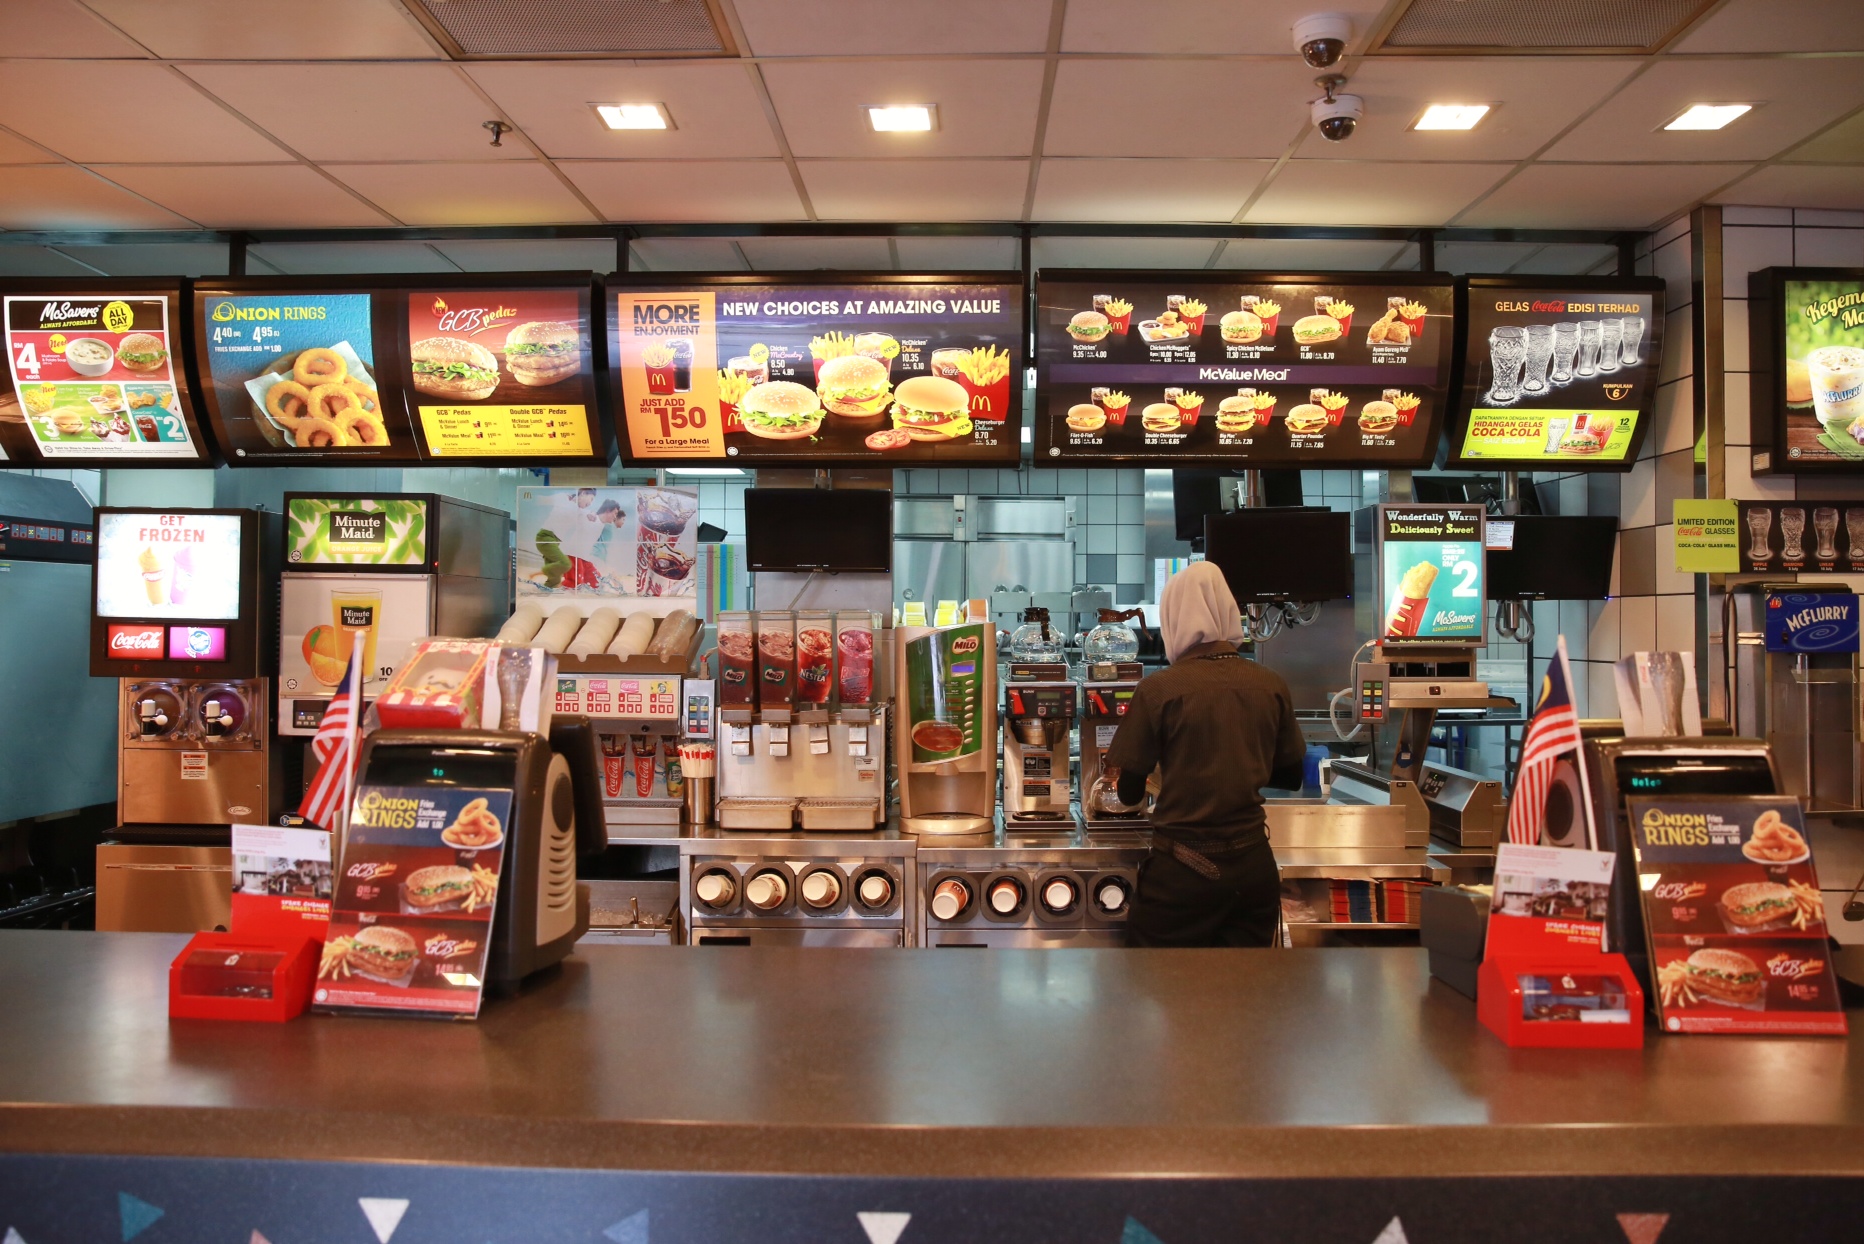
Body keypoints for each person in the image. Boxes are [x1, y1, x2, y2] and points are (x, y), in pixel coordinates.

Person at [1104, 561, 1306, 948]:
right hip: (1254, 869)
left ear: (1174, 619)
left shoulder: (1160, 689)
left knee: (1158, 987)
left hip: (1183, 875)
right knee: (1243, 991)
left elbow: (1128, 793)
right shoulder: (1270, 683)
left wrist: (1170, 773)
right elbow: (1291, 776)